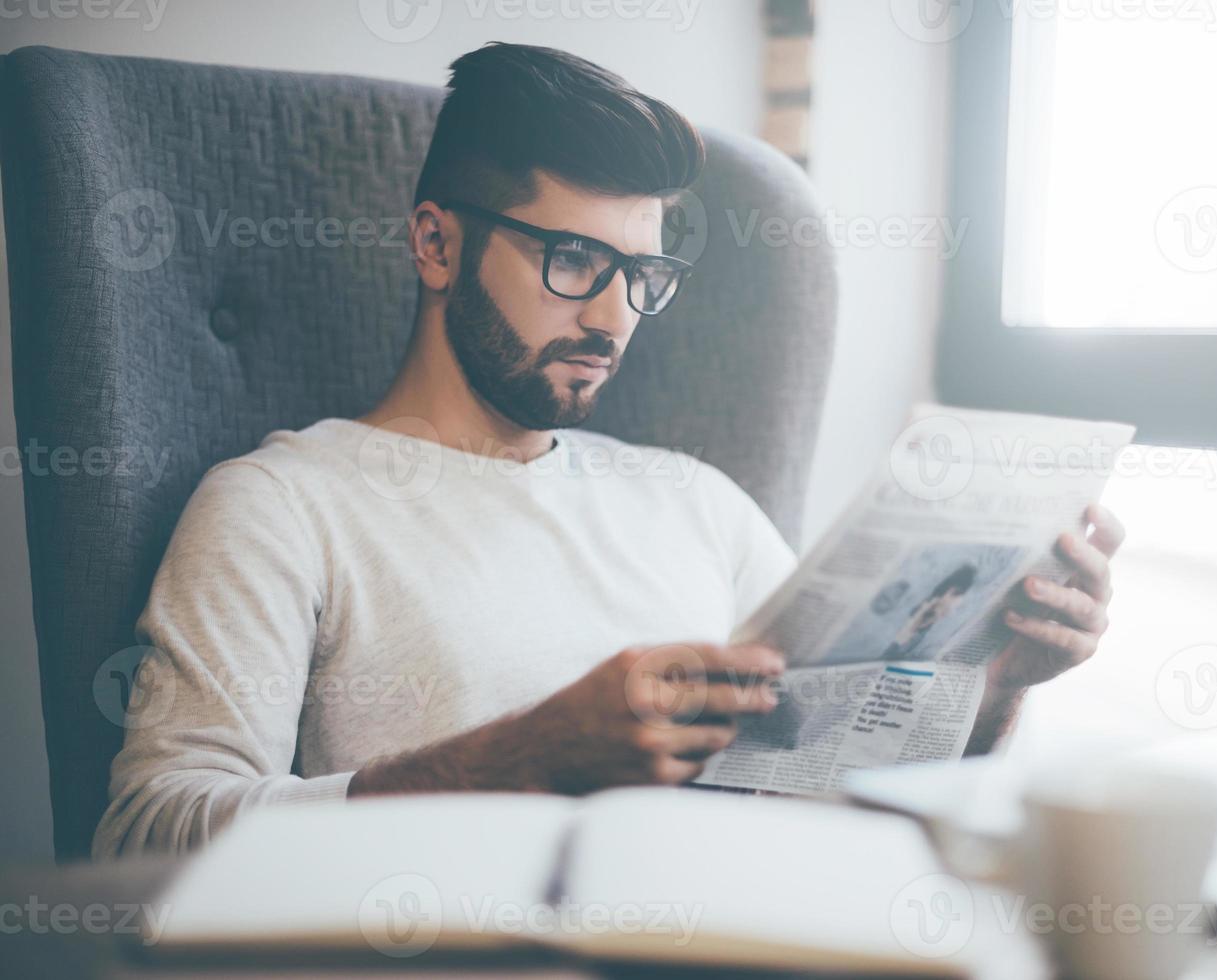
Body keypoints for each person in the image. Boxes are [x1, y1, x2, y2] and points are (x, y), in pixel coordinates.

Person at [94, 43, 1124, 857]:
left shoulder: (696, 504)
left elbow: (848, 786)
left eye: (640, 273)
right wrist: (526, 755)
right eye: (573, 258)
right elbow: (142, 841)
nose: (611, 318)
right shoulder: (283, 504)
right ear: (436, 242)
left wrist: (997, 686)